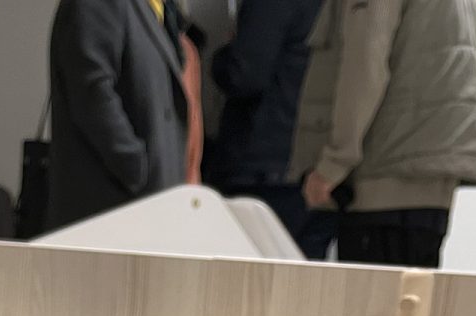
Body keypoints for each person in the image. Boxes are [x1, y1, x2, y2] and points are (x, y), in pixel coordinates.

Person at [290, 0, 476, 269]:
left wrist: (332, 164)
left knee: (372, 294)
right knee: (411, 292)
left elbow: (365, 64)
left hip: (383, 171)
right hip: (434, 176)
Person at [204, 0, 335, 257]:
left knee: (246, 275)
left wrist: (220, 57)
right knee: (305, 275)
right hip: (317, 168)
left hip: (261, 166)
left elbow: (245, 74)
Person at [46, 0, 190, 233]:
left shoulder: (157, 7)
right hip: (111, 212)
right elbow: (92, 92)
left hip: (147, 209)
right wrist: (137, 168)